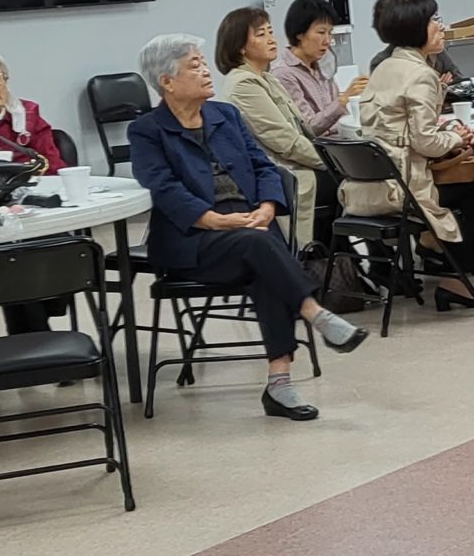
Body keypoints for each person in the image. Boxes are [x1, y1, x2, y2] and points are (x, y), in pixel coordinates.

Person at [128, 35, 366, 420]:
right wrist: (213, 219)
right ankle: (315, 315)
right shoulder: (146, 130)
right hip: (194, 237)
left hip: (251, 225)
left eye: (203, 62)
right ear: (167, 82)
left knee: (262, 260)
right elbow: (163, 187)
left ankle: (279, 384)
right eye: (194, 65)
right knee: (260, 248)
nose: (206, 71)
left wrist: (268, 206)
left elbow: (263, 167)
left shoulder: (226, 115)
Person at [361, 0, 474, 294]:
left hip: (375, 179)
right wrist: (457, 136)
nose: (442, 26)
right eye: (433, 20)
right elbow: (426, 142)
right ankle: (455, 273)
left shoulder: (385, 67)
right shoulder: (420, 74)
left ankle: (452, 258)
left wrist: (448, 129)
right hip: (405, 184)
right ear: (415, 28)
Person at [215, 5, 326, 237]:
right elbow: (285, 141)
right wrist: (332, 161)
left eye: (270, 32)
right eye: (261, 34)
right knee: (356, 184)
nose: (271, 39)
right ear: (241, 46)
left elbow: (301, 128)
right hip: (282, 170)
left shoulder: (266, 78)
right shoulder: (244, 84)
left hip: (300, 161)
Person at [271, 0, 366, 138]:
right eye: (321, 32)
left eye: (330, 33)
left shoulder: (322, 65)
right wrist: (343, 99)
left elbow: (341, 118)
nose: (328, 40)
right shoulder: (284, 73)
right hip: (321, 147)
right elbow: (308, 128)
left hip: (341, 139)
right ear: (299, 33)